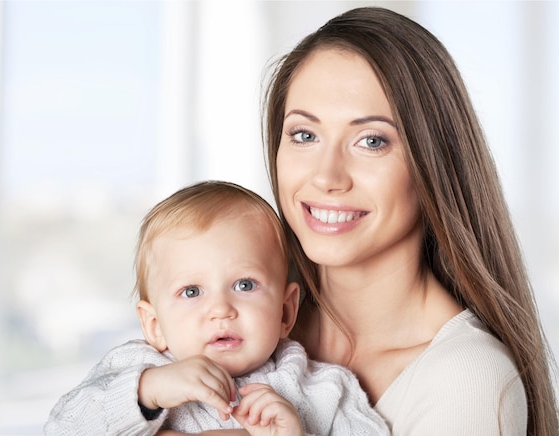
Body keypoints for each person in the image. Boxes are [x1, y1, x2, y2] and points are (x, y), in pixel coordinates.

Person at [262, 6, 558, 435]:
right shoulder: (241, 319)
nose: (326, 177)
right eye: (305, 135)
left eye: (371, 141)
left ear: (434, 164)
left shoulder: (466, 382)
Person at [44, 180, 389, 435]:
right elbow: (61, 427)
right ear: (155, 326)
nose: (221, 309)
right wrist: (147, 392)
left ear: (285, 311)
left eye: (244, 285)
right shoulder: (137, 371)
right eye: (192, 291)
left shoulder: (321, 389)